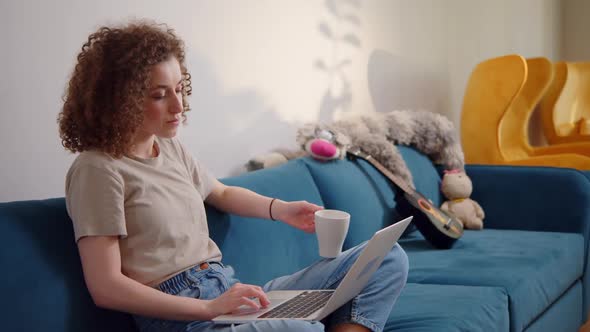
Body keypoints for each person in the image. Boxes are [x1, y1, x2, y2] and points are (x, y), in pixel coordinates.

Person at [58, 20, 409, 332]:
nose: (179, 106)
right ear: (120, 101)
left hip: (229, 292)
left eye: (180, 89)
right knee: (298, 329)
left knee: (389, 258)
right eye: (159, 96)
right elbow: (105, 286)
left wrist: (282, 209)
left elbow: (221, 194)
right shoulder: (98, 169)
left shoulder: (169, 148)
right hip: (184, 317)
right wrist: (208, 309)